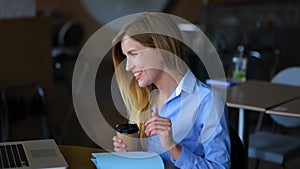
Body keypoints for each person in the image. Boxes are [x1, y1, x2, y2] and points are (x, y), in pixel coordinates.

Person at [111, 12, 231, 169]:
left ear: (161, 49)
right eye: (126, 57)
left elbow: (220, 167)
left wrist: (173, 148)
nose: (128, 67)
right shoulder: (146, 99)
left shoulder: (207, 101)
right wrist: (132, 152)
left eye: (134, 54)